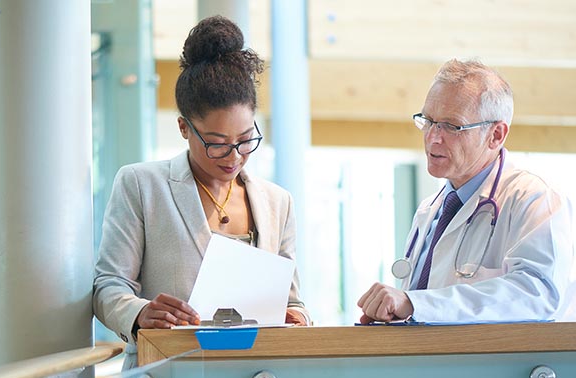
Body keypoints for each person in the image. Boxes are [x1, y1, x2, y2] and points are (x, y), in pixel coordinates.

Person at [93, 16, 310, 359]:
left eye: (245, 140)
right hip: (169, 374)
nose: (234, 156)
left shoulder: (276, 202)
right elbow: (108, 285)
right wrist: (139, 312)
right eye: (217, 143)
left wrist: (295, 318)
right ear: (183, 127)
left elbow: (293, 302)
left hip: (257, 377)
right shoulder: (142, 185)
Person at [357, 59, 575, 324]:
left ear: (495, 135)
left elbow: (538, 294)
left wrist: (415, 303)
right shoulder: (430, 210)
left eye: (451, 126)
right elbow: (423, 311)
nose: (433, 137)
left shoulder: (535, 198)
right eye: (428, 121)